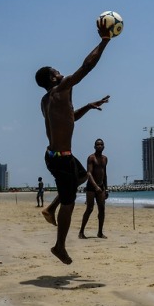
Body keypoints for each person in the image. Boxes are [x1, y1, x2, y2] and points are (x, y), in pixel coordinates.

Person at [35, 21, 113, 264]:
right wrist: (104, 41)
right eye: (57, 71)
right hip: (61, 159)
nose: (61, 73)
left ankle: (50, 208)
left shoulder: (46, 100)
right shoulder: (62, 88)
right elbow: (86, 67)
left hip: (54, 156)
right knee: (69, 204)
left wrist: (88, 107)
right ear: (52, 77)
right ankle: (59, 246)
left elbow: (67, 120)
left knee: (81, 177)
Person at [79, 138, 109, 239]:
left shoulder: (105, 159)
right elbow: (89, 173)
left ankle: (100, 232)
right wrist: (95, 186)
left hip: (101, 187)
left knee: (102, 209)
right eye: (97, 145)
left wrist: (106, 188)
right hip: (91, 187)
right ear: (94, 146)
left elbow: (105, 174)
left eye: (101, 145)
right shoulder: (91, 158)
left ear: (104, 146)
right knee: (90, 208)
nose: (99, 146)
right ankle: (81, 232)